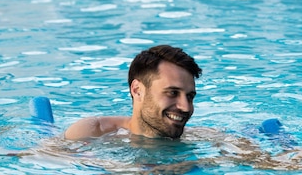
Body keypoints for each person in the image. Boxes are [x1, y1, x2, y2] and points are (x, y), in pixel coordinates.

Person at [64, 45, 202, 140]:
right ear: (137, 91)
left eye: (190, 97)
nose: (186, 107)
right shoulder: (94, 132)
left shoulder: (202, 138)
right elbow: (53, 159)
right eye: (172, 93)